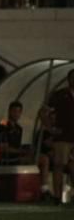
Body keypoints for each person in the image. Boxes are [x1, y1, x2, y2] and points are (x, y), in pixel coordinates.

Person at [47, 70, 74, 203]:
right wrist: (50, 128)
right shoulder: (60, 94)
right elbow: (44, 111)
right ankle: (57, 196)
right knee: (59, 165)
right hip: (63, 136)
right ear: (68, 79)